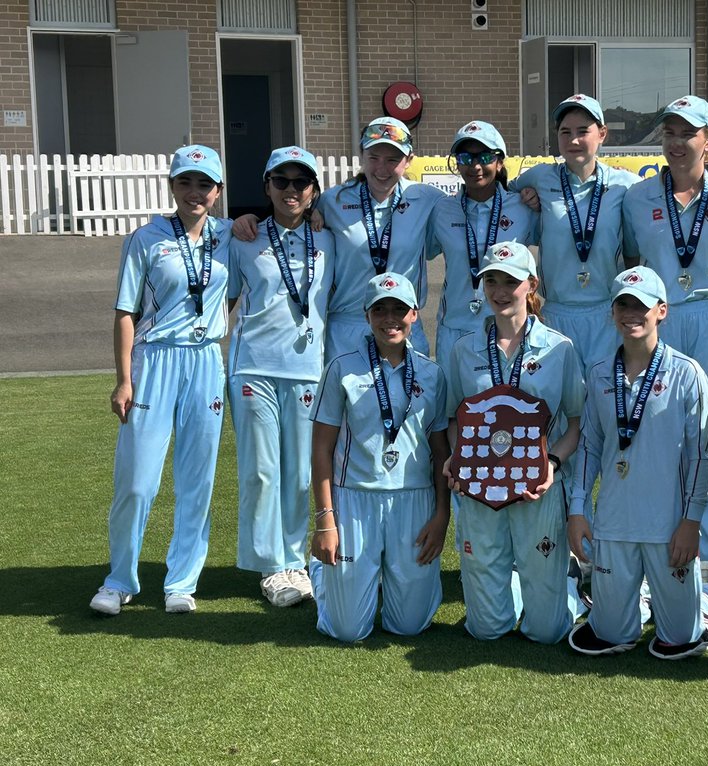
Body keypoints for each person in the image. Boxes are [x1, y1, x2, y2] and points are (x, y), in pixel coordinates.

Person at [89, 145, 232, 615]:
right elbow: (126, 312)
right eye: (186, 182)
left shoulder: (231, 235)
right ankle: (120, 577)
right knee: (137, 479)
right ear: (172, 185)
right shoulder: (146, 238)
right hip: (154, 362)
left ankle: (182, 581)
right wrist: (123, 379)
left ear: (217, 191)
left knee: (197, 479)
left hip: (206, 362)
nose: (195, 192)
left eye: (204, 184)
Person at [621, 94, 708, 582]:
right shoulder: (637, 197)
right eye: (670, 133)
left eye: (688, 133)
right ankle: (659, 548)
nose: (677, 143)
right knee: (658, 434)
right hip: (663, 320)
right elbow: (633, 262)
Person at [566, 266, 708, 659]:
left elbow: (701, 455)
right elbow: (589, 448)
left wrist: (692, 521)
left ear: (662, 310)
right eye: (623, 305)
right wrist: (578, 511)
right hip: (614, 521)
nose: (632, 313)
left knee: (680, 640)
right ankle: (638, 604)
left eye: (642, 306)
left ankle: (654, 602)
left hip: (669, 526)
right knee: (611, 634)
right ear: (611, 311)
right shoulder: (598, 374)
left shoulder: (688, 374)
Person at [442, 242, 584, 643]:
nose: (500, 291)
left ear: (531, 284)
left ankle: (569, 587)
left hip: (535, 489)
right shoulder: (463, 348)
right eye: (492, 280)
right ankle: (519, 590)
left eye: (511, 281)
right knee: (487, 630)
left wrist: (553, 464)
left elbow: (576, 423)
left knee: (547, 632)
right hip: (479, 490)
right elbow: (454, 417)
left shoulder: (560, 349)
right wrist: (457, 456)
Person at [308, 272, 451, 641]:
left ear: (415, 314)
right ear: (366, 314)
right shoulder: (342, 368)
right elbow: (321, 448)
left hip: (413, 498)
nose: (391, 318)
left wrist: (442, 515)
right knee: (347, 631)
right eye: (380, 310)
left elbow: (440, 453)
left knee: (409, 626)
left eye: (399, 309)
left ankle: (393, 582)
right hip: (355, 498)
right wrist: (325, 521)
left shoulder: (432, 374)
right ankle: (325, 577)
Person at [232, 118, 445, 358]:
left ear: (409, 160)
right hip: (347, 327)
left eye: (393, 159)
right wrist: (251, 218)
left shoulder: (428, 199)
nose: (382, 169)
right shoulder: (334, 201)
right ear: (361, 154)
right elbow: (289, 214)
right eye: (374, 157)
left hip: (402, 325)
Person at [227, 146, 334, 607]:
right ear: (267, 186)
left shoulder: (328, 236)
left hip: (309, 369)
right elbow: (223, 300)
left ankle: (295, 561)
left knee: (301, 474)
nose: (292, 191)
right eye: (282, 182)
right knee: (263, 471)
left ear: (313, 190)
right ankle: (273, 567)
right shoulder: (242, 237)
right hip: (254, 366)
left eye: (301, 183)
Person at [509, 94, 640, 371]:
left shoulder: (625, 184)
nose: (574, 140)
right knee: (560, 405)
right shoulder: (539, 178)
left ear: (602, 134)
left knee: (606, 403)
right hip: (556, 312)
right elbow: (500, 194)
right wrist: (524, 194)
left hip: (607, 314)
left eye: (583, 131)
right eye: (565, 132)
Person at [429, 121, 538, 365]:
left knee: (504, 402)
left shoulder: (523, 207)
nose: (475, 166)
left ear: (499, 162)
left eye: (485, 156)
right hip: (454, 328)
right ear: (457, 162)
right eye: (466, 158)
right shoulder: (442, 210)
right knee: (454, 404)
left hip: (507, 328)